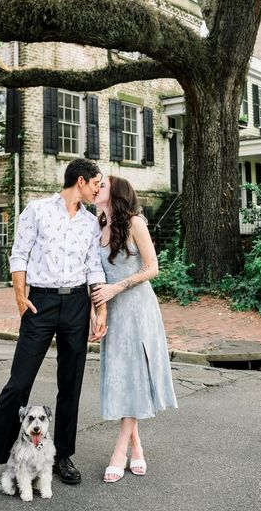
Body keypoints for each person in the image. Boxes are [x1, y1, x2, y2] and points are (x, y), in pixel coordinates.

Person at [0, 158, 108, 500]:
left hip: (76, 304)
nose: (98, 189)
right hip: (41, 303)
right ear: (80, 180)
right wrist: (20, 297)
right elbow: (19, 255)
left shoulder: (90, 224)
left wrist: (98, 310)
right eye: (96, 183)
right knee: (17, 385)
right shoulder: (37, 210)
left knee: (71, 383)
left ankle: (62, 456)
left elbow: (93, 268)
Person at [91, 175, 178, 483]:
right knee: (125, 377)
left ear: (116, 192)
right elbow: (94, 274)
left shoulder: (135, 223)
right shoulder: (96, 225)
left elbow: (152, 267)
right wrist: (96, 310)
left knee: (136, 376)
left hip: (138, 309)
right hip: (113, 313)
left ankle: (119, 451)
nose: (95, 187)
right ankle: (137, 446)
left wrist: (118, 287)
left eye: (101, 185)